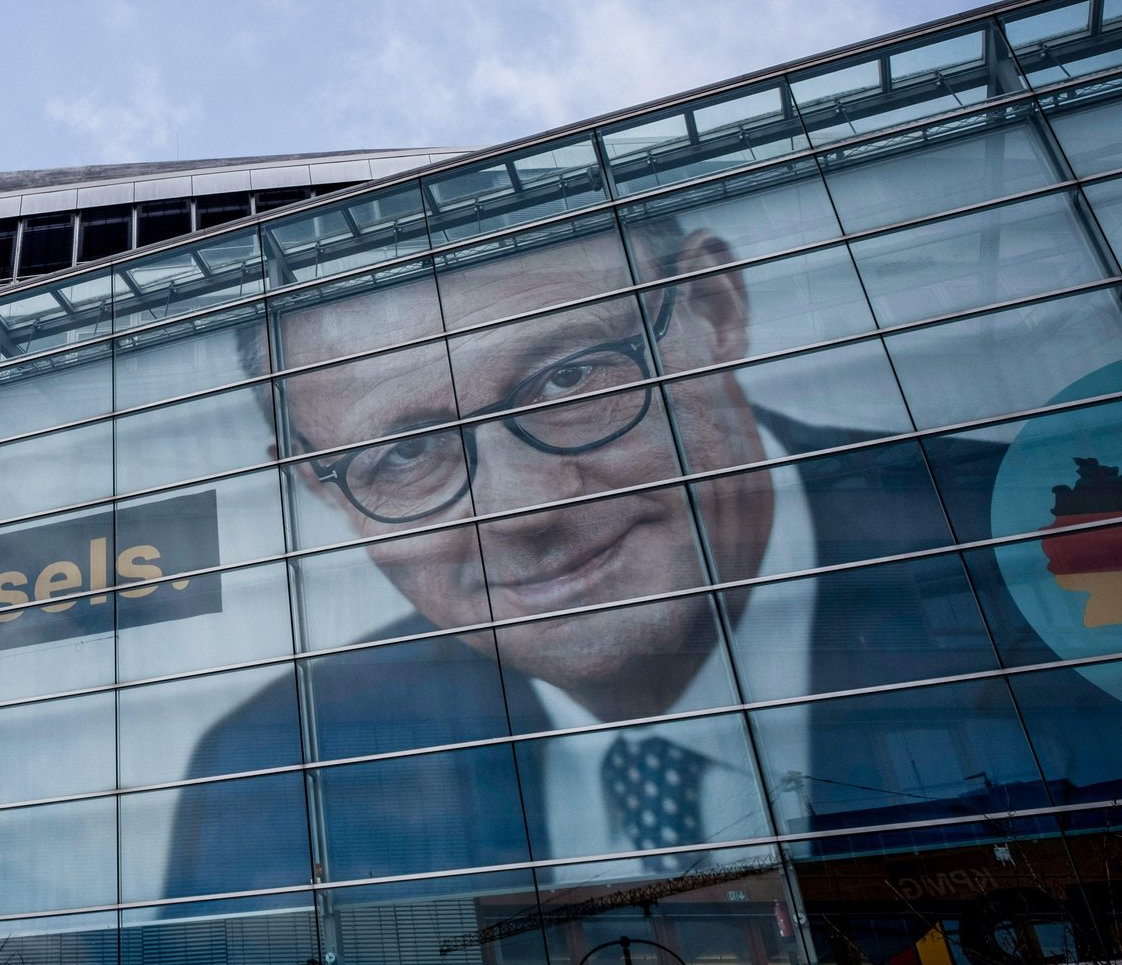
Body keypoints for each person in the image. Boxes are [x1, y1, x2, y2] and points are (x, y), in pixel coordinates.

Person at [169, 222, 1121, 910]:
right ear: (322, 485)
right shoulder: (274, 767)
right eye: (406, 455)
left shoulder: (1062, 557)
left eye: (570, 378)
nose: (526, 509)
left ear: (712, 308)